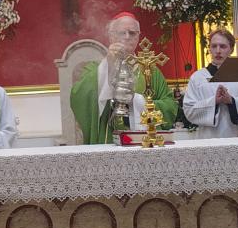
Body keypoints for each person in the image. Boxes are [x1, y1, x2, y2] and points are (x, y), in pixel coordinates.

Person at [71, 12, 177, 144]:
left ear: (138, 37)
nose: (127, 37)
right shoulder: (97, 68)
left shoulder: (150, 69)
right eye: (122, 33)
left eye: (132, 33)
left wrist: (137, 101)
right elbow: (78, 97)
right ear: (111, 36)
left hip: (143, 142)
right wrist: (109, 65)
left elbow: (170, 107)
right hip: (107, 141)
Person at [182, 28, 238, 138]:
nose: (218, 51)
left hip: (237, 137)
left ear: (231, 49)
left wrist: (232, 101)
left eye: (223, 46)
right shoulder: (198, 77)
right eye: (214, 46)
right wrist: (214, 101)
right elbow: (188, 111)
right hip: (208, 139)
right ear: (209, 48)